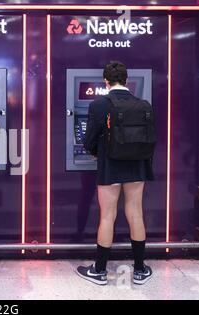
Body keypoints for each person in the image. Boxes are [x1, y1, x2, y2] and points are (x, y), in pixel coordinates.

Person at [76, 61, 154, 285]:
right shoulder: (142, 103)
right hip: (137, 164)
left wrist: (94, 152)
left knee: (107, 215)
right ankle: (140, 270)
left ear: (106, 81)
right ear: (127, 81)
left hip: (110, 165)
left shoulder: (99, 104)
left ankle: (99, 271)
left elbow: (89, 139)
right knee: (136, 213)